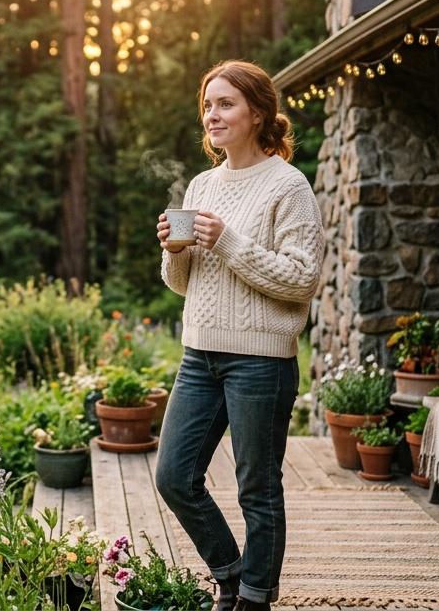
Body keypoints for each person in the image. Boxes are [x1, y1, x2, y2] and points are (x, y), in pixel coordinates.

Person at [153, 60, 325, 611]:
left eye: (225, 104)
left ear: (258, 113)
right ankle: (229, 572)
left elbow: (301, 279)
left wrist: (226, 242)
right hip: (199, 355)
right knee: (174, 475)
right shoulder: (203, 183)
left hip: (261, 361)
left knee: (257, 487)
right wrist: (173, 251)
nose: (213, 114)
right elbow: (183, 285)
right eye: (208, 105)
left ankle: (253, 597)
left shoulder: (288, 185)